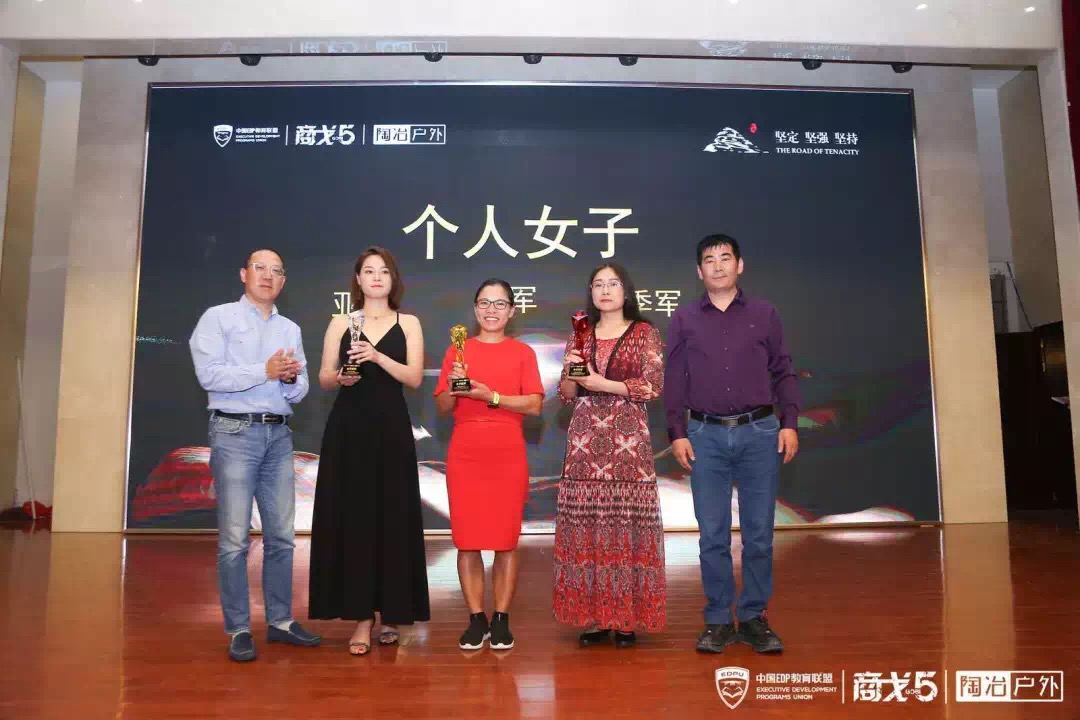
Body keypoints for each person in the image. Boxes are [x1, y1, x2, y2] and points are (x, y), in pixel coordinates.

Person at [664, 233, 801, 655]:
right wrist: (677, 432)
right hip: (704, 435)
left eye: (726, 258)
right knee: (713, 535)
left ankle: (755, 617)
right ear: (699, 271)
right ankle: (719, 620)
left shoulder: (764, 313)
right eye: (710, 259)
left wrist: (789, 423)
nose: (718, 265)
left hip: (760, 432)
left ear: (739, 265)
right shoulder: (684, 319)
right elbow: (675, 380)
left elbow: (783, 371)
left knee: (759, 534)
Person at [189, 248, 321, 662]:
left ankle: (280, 621)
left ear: (283, 281)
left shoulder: (290, 328)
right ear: (243, 274)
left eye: (276, 271)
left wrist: (291, 379)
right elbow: (209, 375)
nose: (268, 276)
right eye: (260, 268)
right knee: (234, 539)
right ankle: (239, 628)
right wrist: (263, 371)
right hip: (233, 433)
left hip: (278, 435)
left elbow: (299, 390)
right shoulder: (218, 318)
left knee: (282, 535)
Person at [308, 247, 430, 656]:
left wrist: (377, 356)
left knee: (392, 517)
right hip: (349, 429)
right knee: (355, 518)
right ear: (358, 279)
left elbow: (414, 377)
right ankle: (361, 618)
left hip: (391, 428)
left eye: (384, 271)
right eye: (368, 271)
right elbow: (324, 377)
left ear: (393, 280)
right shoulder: (340, 322)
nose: (376, 277)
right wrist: (340, 377)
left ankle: (392, 613)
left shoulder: (408, 322)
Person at [553, 263, 667, 648]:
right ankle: (594, 618)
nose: (605, 290)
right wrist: (571, 372)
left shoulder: (644, 332)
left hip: (628, 439)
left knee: (626, 527)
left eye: (613, 283)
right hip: (585, 440)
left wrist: (603, 383)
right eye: (598, 284)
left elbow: (652, 387)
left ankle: (625, 618)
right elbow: (567, 394)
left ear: (626, 290)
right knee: (587, 527)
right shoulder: (581, 335)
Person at [434, 279, 545, 651]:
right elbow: (443, 406)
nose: (491, 310)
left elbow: (534, 405)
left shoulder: (522, 353)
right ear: (475, 309)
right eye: (484, 303)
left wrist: (490, 396)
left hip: (507, 451)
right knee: (467, 541)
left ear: (511, 311)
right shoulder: (457, 350)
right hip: (465, 451)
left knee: (505, 541)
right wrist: (454, 388)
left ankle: (501, 619)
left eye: (499, 304)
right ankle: (475, 619)